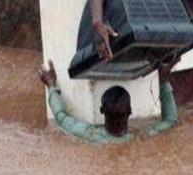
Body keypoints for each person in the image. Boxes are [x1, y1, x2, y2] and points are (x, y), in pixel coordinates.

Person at [37, 56, 180, 144]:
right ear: (130, 111)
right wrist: (163, 81)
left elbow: (61, 117)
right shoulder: (141, 138)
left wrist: (51, 85)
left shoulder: (89, 134)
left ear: (101, 111)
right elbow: (171, 120)